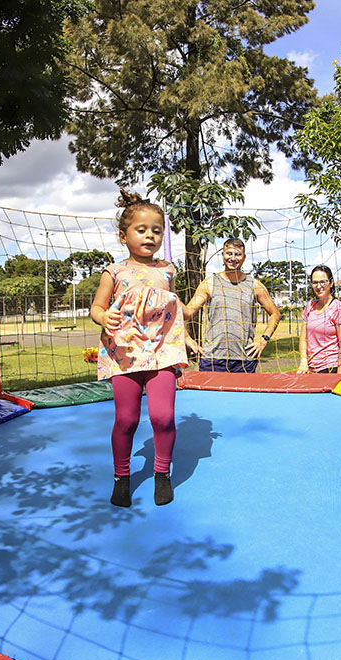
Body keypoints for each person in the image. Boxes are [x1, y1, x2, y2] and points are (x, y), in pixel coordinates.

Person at [90, 189, 189, 508]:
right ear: (123, 235)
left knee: (163, 416)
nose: (150, 235)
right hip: (125, 352)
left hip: (162, 350)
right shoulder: (114, 272)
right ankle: (122, 477)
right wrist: (104, 316)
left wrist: (187, 326)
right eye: (141, 229)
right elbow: (96, 308)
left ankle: (162, 473)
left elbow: (171, 308)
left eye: (157, 230)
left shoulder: (168, 270)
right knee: (127, 419)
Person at [183, 238, 281, 372]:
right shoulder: (210, 283)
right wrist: (188, 339)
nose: (233, 258)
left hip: (245, 359)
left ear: (244, 257)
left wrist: (263, 339)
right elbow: (185, 313)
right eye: (229, 253)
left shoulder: (254, 285)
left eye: (238, 254)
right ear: (222, 255)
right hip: (213, 358)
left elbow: (275, 313)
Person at [297, 265, 341, 374]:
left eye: (323, 282)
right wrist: (303, 361)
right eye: (315, 282)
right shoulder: (309, 306)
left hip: (330, 368)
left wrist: (338, 377)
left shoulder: (339, 309)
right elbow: (303, 338)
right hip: (310, 369)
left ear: (331, 283)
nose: (319, 286)